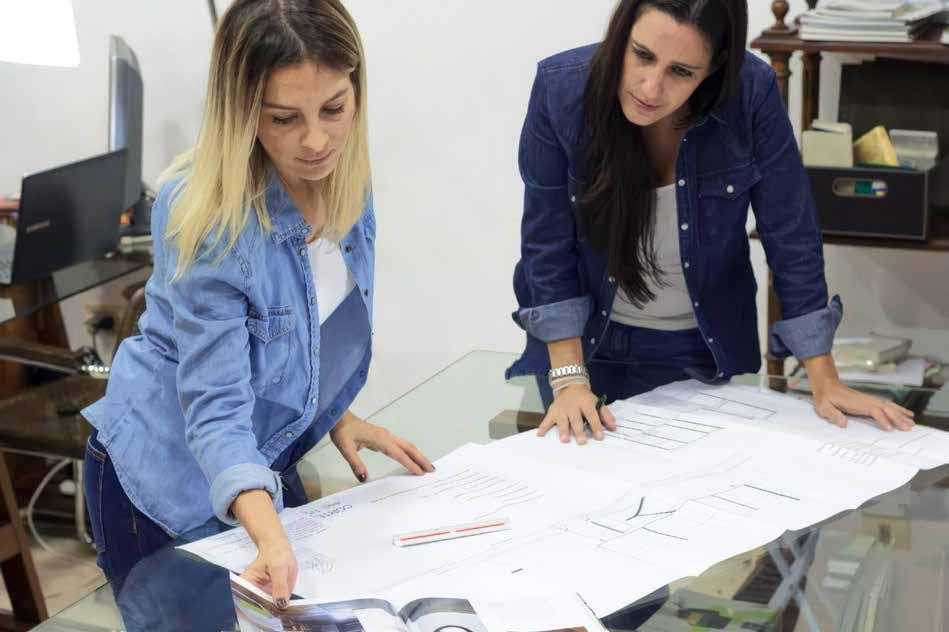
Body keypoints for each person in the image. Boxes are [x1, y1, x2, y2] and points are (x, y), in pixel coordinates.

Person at [82, 0, 433, 607]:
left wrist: (335, 413)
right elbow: (216, 408)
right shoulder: (207, 213)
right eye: (284, 118)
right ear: (242, 112)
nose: (317, 140)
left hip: (261, 459)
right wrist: (271, 537)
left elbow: (300, 328)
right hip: (168, 479)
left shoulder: (347, 176)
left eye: (334, 109)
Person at [506, 0, 916, 446]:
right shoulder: (561, 89)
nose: (651, 87)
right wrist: (569, 380)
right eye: (642, 55)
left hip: (698, 346)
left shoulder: (751, 93)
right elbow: (547, 243)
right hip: (579, 345)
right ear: (622, 33)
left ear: (715, 67)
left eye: (681, 72)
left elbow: (790, 233)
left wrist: (825, 379)